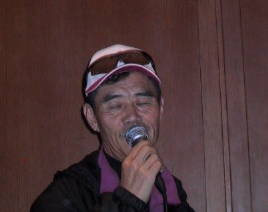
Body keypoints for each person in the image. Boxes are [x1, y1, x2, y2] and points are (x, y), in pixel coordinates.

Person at [30, 44, 196, 212]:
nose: (132, 116)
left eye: (143, 102)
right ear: (92, 118)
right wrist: (129, 200)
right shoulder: (66, 194)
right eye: (116, 106)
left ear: (160, 108)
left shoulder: (172, 191)